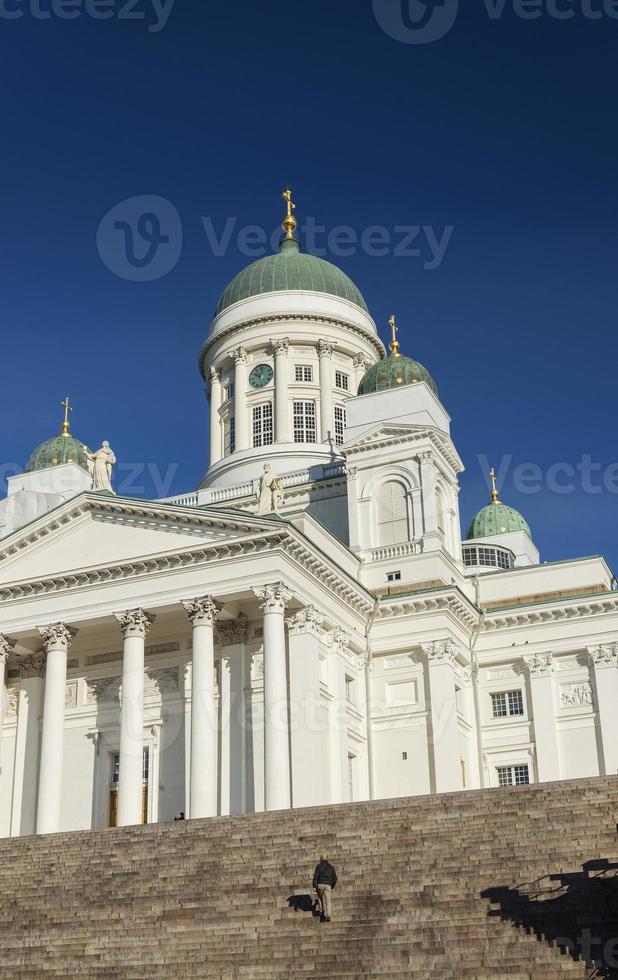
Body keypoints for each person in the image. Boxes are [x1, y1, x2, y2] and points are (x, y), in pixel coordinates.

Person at [312, 853, 337, 922]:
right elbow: (335, 878)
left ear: (320, 859)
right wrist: (332, 886)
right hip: (328, 885)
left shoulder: (318, 866)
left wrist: (314, 886)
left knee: (320, 898)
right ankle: (328, 914)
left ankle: (322, 911)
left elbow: (315, 877)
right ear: (327, 858)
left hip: (320, 885)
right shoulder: (331, 867)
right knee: (328, 901)